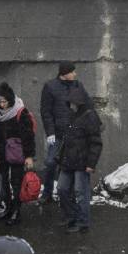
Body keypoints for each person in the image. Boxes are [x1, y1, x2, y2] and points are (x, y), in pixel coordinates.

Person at [40, 62, 88, 203]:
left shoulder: (77, 85)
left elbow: (86, 105)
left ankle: (67, 196)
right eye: (72, 71)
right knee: (50, 163)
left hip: (75, 135)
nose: (75, 74)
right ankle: (47, 194)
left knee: (70, 165)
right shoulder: (50, 87)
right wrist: (50, 133)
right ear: (64, 73)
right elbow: (46, 111)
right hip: (58, 134)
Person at [56, 86, 102, 233]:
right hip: (68, 160)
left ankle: (82, 222)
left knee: (80, 192)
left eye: (73, 103)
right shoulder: (72, 115)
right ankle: (71, 217)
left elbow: (96, 142)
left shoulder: (90, 116)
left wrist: (91, 164)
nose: (71, 106)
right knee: (62, 189)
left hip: (82, 162)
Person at [0, 82, 36, 225]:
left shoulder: (21, 111)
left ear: (10, 99)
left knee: (16, 182)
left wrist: (29, 156)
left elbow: (28, 136)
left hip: (17, 152)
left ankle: (16, 210)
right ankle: (8, 208)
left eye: (4, 101)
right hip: (1, 151)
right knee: (3, 181)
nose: (2, 105)